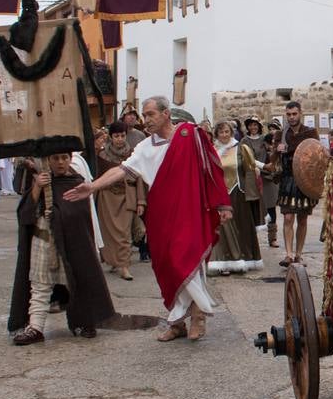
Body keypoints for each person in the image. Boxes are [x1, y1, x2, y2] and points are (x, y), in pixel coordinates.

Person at [65, 95, 231, 342]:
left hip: (190, 211)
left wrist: (222, 204)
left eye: (151, 114)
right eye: (145, 115)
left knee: (186, 260)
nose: (146, 119)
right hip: (161, 215)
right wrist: (92, 186)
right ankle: (177, 323)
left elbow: (212, 167)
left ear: (166, 114)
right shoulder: (143, 148)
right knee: (166, 267)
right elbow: (121, 170)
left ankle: (198, 316)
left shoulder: (189, 135)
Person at [7, 152, 116, 345]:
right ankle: (36, 327)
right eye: (55, 158)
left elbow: (79, 216)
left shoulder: (75, 181)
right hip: (44, 240)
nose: (60, 162)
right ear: (48, 160)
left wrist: (57, 215)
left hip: (72, 243)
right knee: (40, 285)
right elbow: (25, 215)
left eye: (64, 158)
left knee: (77, 281)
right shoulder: (40, 182)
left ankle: (82, 322)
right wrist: (37, 188)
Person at [208, 120, 264, 274]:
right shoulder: (213, 151)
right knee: (223, 228)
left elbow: (250, 170)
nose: (224, 135)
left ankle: (243, 259)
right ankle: (225, 263)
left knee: (241, 227)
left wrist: (251, 194)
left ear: (231, 133)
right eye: (221, 132)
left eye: (227, 132)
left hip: (238, 192)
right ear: (217, 134)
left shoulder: (241, 148)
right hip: (220, 194)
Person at [94, 122, 145, 281]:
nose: (120, 139)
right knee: (108, 233)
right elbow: (97, 177)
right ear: (111, 137)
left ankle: (124, 266)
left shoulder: (133, 154)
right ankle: (114, 261)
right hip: (107, 198)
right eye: (116, 136)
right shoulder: (103, 155)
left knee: (124, 233)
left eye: (122, 135)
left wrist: (141, 201)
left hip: (127, 196)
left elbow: (140, 178)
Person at [275, 100, 320, 267]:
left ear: (300, 113)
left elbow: (317, 155)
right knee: (288, 217)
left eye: (294, 114)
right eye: (288, 114)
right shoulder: (281, 135)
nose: (291, 117)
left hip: (304, 180)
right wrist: (276, 151)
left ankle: (299, 255)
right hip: (287, 179)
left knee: (302, 219)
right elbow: (274, 159)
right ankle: (288, 254)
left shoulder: (310, 133)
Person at [239, 116, 269, 231]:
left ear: (259, 126)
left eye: (255, 125)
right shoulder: (244, 141)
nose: (253, 127)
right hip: (252, 177)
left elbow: (270, 153)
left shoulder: (264, 139)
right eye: (251, 125)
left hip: (266, 176)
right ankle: (252, 235)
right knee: (254, 206)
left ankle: (273, 236)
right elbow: (246, 158)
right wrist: (259, 166)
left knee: (269, 206)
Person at [258, 119, 282, 248]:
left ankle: (272, 238)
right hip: (263, 182)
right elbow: (261, 164)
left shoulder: (280, 146)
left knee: (272, 211)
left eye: (275, 127)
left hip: (272, 183)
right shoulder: (262, 149)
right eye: (271, 127)